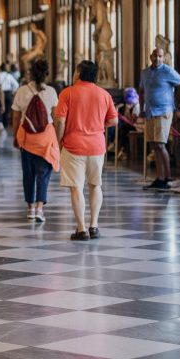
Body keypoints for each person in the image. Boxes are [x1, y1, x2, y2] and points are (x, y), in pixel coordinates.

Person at [54, 60, 118, 241]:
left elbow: (59, 121)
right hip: (97, 147)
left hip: (73, 146)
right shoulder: (104, 94)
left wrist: (57, 141)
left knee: (76, 188)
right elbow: (114, 121)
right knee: (95, 185)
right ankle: (94, 226)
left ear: (78, 73)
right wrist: (98, 126)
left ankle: (81, 229)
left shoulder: (67, 93)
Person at [11, 58, 59, 222]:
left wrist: (14, 137)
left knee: (28, 174)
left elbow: (16, 117)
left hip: (26, 138)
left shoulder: (22, 91)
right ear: (46, 74)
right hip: (46, 139)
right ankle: (39, 208)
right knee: (43, 174)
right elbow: (55, 117)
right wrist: (58, 139)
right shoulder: (52, 92)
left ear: (30, 73)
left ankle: (30, 207)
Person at [139, 47, 180, 190]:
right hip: (150, 112)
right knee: (154, 145)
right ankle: (159, 178)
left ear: (163, 57)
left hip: (164, 112)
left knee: (161, 145)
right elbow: (142, 91)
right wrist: (142, 108)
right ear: (151, 57)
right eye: (155, 56)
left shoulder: (167, 71)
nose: (158, 59)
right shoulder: (145, 73)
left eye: (160, 56)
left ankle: (167, 178)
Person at [112, 87, 141, 159]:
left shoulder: (137, 106)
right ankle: (120, 147)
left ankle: (117, 144)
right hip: (128, 124)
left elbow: (134, 120)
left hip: (137, 126)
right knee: (121, 128)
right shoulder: (127, 105)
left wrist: (128, 118)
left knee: (123, 128)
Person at [0, 63, 20, 133]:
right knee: (7, 110)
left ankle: (0, 124)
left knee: (0, 109)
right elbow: (16, 85)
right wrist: (13, 92)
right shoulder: (9, 76)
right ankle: (5, 125)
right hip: (8, 94)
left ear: (0, 68)